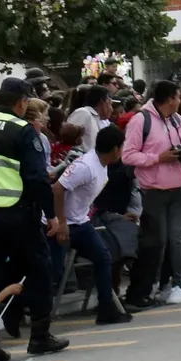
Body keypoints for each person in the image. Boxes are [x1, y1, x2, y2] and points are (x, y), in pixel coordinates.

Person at [0, 78, 70, 356]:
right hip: (17, 213)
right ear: (22, 102)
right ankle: (40, 336)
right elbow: (37, 179)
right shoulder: (23, 131)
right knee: (39, 270)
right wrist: (51, 215)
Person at [121, 80, 181, 308]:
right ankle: (153, 285)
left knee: (178, 238)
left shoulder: (177, 119)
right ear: (170, 98)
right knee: (157, 241)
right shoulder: (140, 121)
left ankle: (178, 284)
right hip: (153, 191)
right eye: (178, 96)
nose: (180, 101)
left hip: (179, 188)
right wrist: (157, 159)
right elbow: (128, 156)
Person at [50, 124, 133, 325]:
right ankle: (18, 306)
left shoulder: (103, 166)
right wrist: (61, 222)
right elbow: (57, 189)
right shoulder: (85, 166)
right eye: (122, 147)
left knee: (102, 257)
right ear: (115, 149)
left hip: (80, 222)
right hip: (62, 223)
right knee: (52, 272)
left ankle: (106, 310)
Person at [66, 84, 112, 152]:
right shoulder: (83, 113)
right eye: (110, 103)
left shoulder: (101, 120)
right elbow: (69, 139)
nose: (111, 108)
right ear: (102, 102)